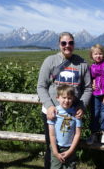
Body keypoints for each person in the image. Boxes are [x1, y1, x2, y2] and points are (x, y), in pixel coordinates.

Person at [37, 32, 92, 169]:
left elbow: (88, 88)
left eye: (70, 43)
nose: (67, 46)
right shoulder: (50, 61)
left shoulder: (82, 63)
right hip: (52, 113)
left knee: (70, 144)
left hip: (72, 112)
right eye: (64, 43)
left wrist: (82, 106)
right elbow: (41, 86)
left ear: (74, 44)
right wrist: (49, 106)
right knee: (51, 146)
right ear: (59, 44)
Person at [48, 85, 82, 169]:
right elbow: (52, 134)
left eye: (69, 98)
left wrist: (70, 151)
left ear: (73, 98)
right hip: (56, 147)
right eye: (64, 97)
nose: (66, 100)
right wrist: (55, 152)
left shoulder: (76, 113)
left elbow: (77, 134)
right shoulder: (53, 113)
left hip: (70, 147)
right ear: (57, 98)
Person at [87, 44, 104, 145]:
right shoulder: (92, 66)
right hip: (95, 93)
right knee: (95, 114)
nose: (98, 56)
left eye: (100, 54)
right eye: (95, 54)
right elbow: (90, 78)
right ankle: (94, 134)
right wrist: (92, 83)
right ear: (92, 56)